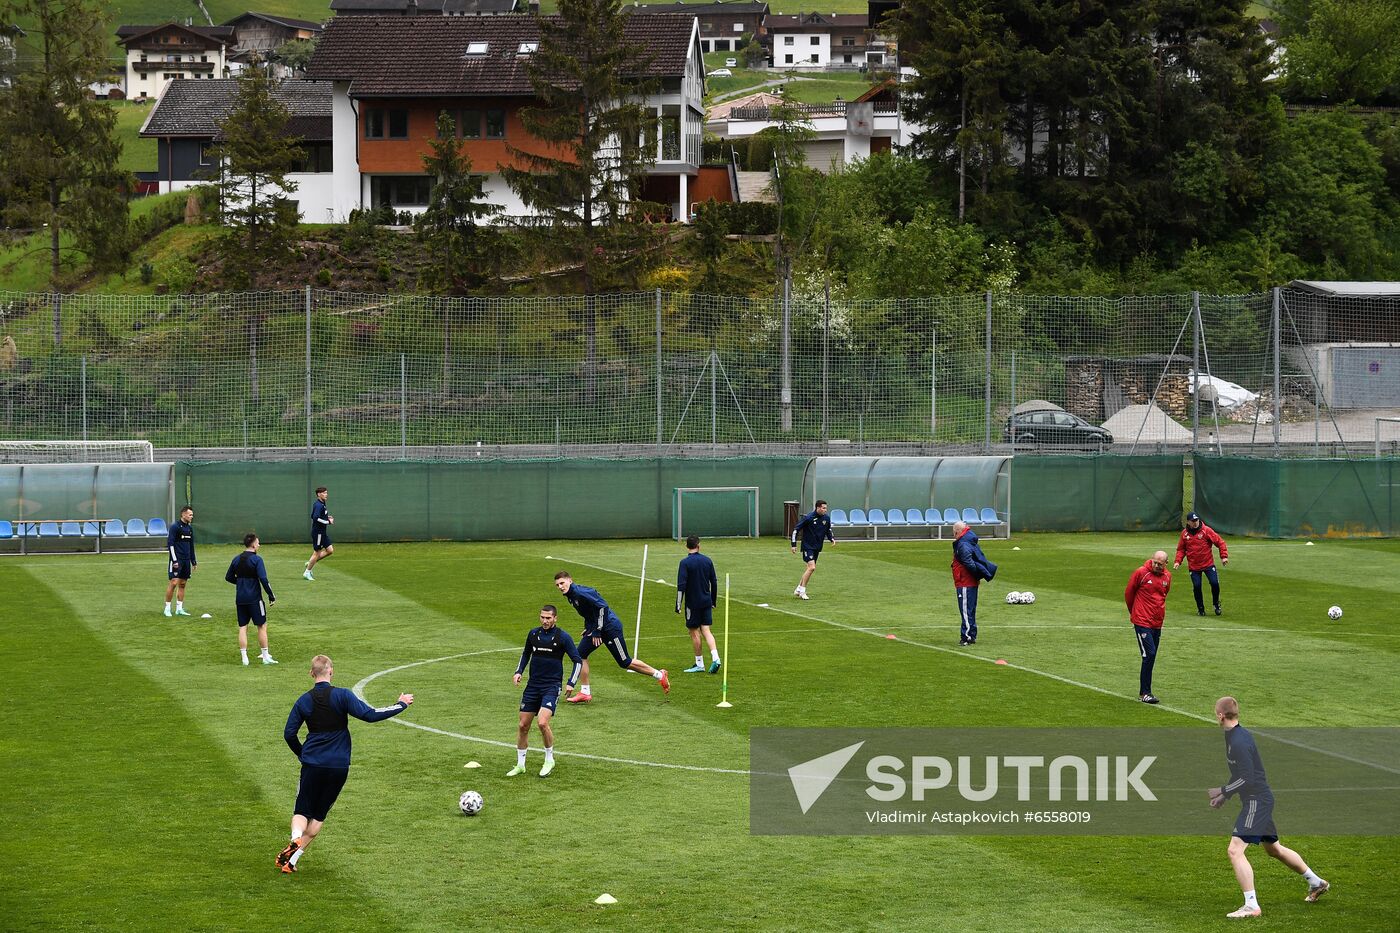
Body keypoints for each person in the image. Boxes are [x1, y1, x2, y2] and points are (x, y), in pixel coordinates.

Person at [277, 655, 413, 874]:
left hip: (312, 763)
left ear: (312, 674)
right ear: (331, 671)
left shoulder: (304, 700)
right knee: (320, 814)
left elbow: (289, 734)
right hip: (338, 766)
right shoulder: (342, 695)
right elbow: (370, 715)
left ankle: (295, 839)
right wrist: (401, 704)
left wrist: (303, 754)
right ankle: (292, 861)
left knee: (302, 810)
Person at [1207, 696, 1329, 918]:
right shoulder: (1235, 735)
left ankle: (1251, 905)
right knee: (1273, 849)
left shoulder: (1239, 741)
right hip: (1258, 798)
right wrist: (1227, 796)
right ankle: (1316, 882)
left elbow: (1247, 778)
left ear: (1220, 715)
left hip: (1256, 800)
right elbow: (1241, 774)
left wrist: (1223, 791)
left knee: (1235, 850)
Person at [553, 571, 669, 703]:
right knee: (580, 655)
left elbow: (602, 607)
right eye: (557, 585)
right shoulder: (570, 595)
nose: (560, 587)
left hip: (610, 628)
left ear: (570, 581)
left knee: (624, 662)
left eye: (562, 583)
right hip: (597, 628)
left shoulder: (580, 593)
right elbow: (589, 612)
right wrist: (589, 627)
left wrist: (597, 631)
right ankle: (585, 692)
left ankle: (660, 675)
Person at [509, 604, 582, 777]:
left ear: (555, 618)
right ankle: (520, 765)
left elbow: (577, 661)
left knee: (542, 722)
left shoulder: (562, 637)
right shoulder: (533, 634)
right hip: (533, 686)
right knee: (522, 725)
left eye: (548, 618)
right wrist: (519, 671)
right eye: (542, 617)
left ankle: (549, 759)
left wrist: (571, 682)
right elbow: (526, 653)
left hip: (551, 686)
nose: (545, 621)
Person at [1124, 550, 1171, 704]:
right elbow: (1129, 593)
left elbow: (1164, 595)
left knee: (1151, 657)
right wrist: (1135, 614)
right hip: (1142, 621)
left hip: (1157, 622)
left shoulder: (1167, 577)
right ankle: (1145, 692)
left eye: (1160, 564)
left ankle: (1145, 691)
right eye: (1155, 562)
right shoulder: (1141, 573)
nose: (1157, 566)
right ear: (1152, 560)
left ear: (1166, 564)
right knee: (1149, 654)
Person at [225, 533, 277, 666]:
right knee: (262, 625)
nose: (259, 545)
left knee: (243, 627)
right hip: (254, 598)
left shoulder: (236, 559)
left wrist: (241, 583)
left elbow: (228, 577)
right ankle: (265, 656)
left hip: (240, 598)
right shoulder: (257, 560)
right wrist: (271, 595)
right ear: (253, 544)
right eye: (258, 543)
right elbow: (263, 579)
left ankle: (244, 658)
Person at [676, 535, 721, 674]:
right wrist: (713, 600)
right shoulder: (707, 561)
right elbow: (714, 582)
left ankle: (699, 663)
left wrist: (678, 604)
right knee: (706, 630)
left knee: (694, 631)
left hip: (692, 604)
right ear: (698, 545)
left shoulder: (685, 563)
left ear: (687, 546)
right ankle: (716, 658)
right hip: (706, 601)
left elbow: (681, 585)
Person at [951, 520, 997, 646]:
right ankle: (971, 634)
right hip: (968, 581)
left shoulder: (963, 543)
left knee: (966, 610)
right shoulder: (968, 539)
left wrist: (975, 575)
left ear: (958, 532)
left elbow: (968, 561)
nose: (954, 536)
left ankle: (967, 637)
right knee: (969, 610)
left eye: (954, 533)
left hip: (965, 581)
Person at [1174, 511, 1229, 616]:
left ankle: (1216, 604)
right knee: (1197, 586)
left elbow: (1220, 542)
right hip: (1194, 567)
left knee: (1214, 583)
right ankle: (1200, 608)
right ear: (1188, 522)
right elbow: (1181, 549)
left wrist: (1224, 557)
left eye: (1196, 520)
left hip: (1208, 564)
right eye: (1193, 521)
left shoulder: (1206, 530)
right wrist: (1178, 561)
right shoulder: (1184, 534)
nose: (1195, 523)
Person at [790, 500, 835, 600]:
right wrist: (793, 544)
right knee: (812, 567)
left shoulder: (826, 518)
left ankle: (798, 589)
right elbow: (796, 530)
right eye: (823, 508)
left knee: (809, 569)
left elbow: (828, 529)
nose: (825, 510)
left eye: (826, 508)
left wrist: (831, 538)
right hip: (807, 546)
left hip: (817, 547)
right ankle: (802, 591)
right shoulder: (808, 518)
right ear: (817, 508)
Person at [163, 506, 197, 617]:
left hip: (186, 561)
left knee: (182, 584)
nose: (191, 516)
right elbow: (170, 544)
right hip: (177, 560)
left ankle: (179, 609)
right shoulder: (175, 527)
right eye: (190, 514)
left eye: (192, 515)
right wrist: (174, 560)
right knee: (173, 582)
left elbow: (191, 546)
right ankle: (167, 608)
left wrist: (193, 561)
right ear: (183, 514)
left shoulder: (189, 529)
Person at [304, 486, 334, 581]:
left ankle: (310, 563)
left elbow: (314, 515)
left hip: (323, 533)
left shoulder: (322, 503)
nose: (326, 494)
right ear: (319, 494)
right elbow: (315, 517)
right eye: (324, 493)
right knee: (317, 553)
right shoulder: (318, 505)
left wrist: (326, 517)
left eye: (326, 492)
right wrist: (328, 522)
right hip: (318, 533)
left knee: (330, 550)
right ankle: (307, 572)